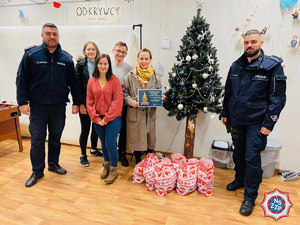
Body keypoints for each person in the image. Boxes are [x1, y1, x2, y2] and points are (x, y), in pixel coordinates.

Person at [221, 29, 286, 216]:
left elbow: (278, 98)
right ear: (243, 44)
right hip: (236, 119)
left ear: (261, 43)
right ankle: (240, 179)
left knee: (252, 158)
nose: (250, 45)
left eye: (253, 42)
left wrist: (269, 123)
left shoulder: (272, 66)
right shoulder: (235, 66)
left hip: (257, 122)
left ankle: (250, 197)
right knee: (238, 154)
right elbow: (229, 92)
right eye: (247, 42)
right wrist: (225, 112)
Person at [16, 23, 81, 187]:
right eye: (48, 33)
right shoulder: (32, 55)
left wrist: (77, 102)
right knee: (37, 140)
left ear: (58, 36)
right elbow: (21, 79)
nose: (52, 37)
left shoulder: (66, 59)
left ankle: (53, 164)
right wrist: (22, 102)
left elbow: (73, 83)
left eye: (55, 34)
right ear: (42, 35)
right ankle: (37, 171)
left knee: (55, 138)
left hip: (58, 106)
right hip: (37, 106)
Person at [122, 48, 165, 165]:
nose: (144, 61)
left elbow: (158, 91)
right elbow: (123, 92)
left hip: (149, 113)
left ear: (150, 60)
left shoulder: (155, 76)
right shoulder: (131, 75)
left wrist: (160, 97)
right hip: (136, 112)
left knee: (149, 139)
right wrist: (131, 101)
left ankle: (149, 164)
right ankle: (137, 162)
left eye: (146, 59)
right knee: (137, 139)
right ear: (137, 59)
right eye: (141, 58)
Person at [86, 54, 123, 184]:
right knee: (103, 143)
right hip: (97, 119)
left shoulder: (115, 80)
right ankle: (106, 166)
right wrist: (95, 118)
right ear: (97, 65)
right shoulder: (92, 81)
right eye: (100, 63)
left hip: (113, 118)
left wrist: (107, 118)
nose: (103, 66)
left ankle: (114, 169)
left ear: (109, 65)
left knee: (110, 143)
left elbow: (117, 101)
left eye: (105, 64)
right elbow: (89, 101)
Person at [76, 41, 103, 167]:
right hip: (85, 103)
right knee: (85, 129)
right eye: (88, 49)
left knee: (96, 128)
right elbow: (77, 87)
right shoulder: (80, 66)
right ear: (84, 52)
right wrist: (81, 104)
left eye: (93, 49)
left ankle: (93, 149)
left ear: (96, 51)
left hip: (98, 103)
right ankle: (83, 155)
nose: (91, 51)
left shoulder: (101, 64)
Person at [112, 41, 134, 167]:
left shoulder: (130, 69)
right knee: (111, 131)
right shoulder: (107, 66)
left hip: (124, 106)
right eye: (118, 51)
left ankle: (122, 153)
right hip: (110, 106)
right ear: (113, 51)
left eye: (123, 52)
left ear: (126, 54)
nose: (120, 54)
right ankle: (112, 153)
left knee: (124, 132)